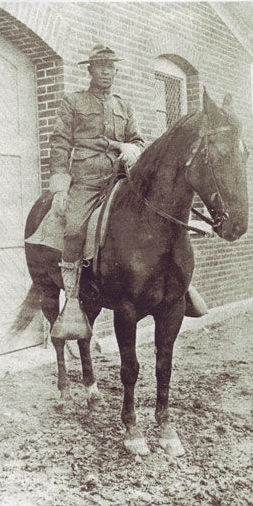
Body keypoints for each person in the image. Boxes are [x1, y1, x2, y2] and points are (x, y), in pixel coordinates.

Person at [49, 44, 145, 340]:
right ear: (90, 69)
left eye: (111, 66)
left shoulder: (123, 106)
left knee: (154, 220)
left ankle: (178, 286)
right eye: (101, 66)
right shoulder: (73, 101)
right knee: (75, 229)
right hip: (88, 179)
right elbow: (60, 143)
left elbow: (139, 141)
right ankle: (73, 300)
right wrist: (60, 187)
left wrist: (130, 148)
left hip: (121, 177)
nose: (107, 71)